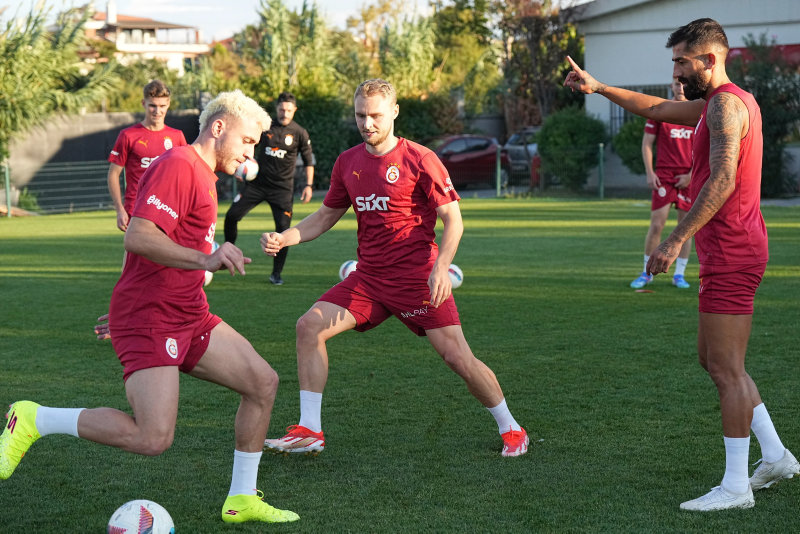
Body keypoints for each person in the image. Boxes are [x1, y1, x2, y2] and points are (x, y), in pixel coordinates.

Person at [0, 90, 299, 524]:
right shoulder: (179, 164)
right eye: (248, 141)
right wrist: (204, 260)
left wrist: (139, 293)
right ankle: (33, 419)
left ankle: (241, 499)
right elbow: (138, 236)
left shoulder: (203, 174)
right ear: (219, 128)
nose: (251, 153)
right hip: (153, 318)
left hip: (186, 312)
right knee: (152, 437)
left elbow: (161, 247)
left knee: (262, 383)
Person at [564, 18, 798, 511]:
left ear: (709, 59)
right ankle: (775, 455)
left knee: (728, 370)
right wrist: (598, 86)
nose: (675, 70)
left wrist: (674, 239)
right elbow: (657, 106)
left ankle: (736, 488)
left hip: (733, 250)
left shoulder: (727, 106)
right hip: (726, 250)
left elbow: (724, 178)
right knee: (713, 360)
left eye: (681, 61)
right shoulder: (716, 102)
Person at [260, 79, 528, 458]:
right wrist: (286, 237)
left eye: (375, 115)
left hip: (417, 279)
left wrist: (441, 268)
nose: (367, 123)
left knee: (458, 358)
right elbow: (324, 216)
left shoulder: (420, 159)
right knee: (309, 326)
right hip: (368, 280)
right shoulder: (347, 162)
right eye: (360, 115)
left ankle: (512, 428)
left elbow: (454, 219)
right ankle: (310, 430)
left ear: (394, 112)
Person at [224, 91, 314, 286]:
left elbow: (308, 161)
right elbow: (248, 145)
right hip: (256, 184)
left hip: (282, 190)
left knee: (283, 232)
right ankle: (228, 251)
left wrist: (308, 185)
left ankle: (276, 274)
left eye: (288, 110)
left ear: (294, 110)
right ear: (277, 108)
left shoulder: (299, 133)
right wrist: (240, 166)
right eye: (282, 109)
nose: (284, 113)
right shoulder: (265, 127)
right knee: (231, 216)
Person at [630, 78, 694, 290]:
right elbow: (647, 143)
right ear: (671, 87)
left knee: (685, 228)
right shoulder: (662, 111)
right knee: (657, 224)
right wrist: (650, 172)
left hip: (687, 177)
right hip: (664, 176)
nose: (681, 88)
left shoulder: (695, 113)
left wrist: (692, 175)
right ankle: (646, 273)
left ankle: (680, 274)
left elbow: (706, 149)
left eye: (685, 84)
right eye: (677, 84)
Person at [107, 79, 187, 233]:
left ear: (168, 104)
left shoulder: (177, 137)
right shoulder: (128, 135)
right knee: (135, 255)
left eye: (162, 106)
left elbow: (185, 176)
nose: (157, 111)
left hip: (168, 210)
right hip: (136, 210)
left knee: (167, 256)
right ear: (143, 103)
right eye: (153, 106)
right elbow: (113, 175)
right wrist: (119, 209)